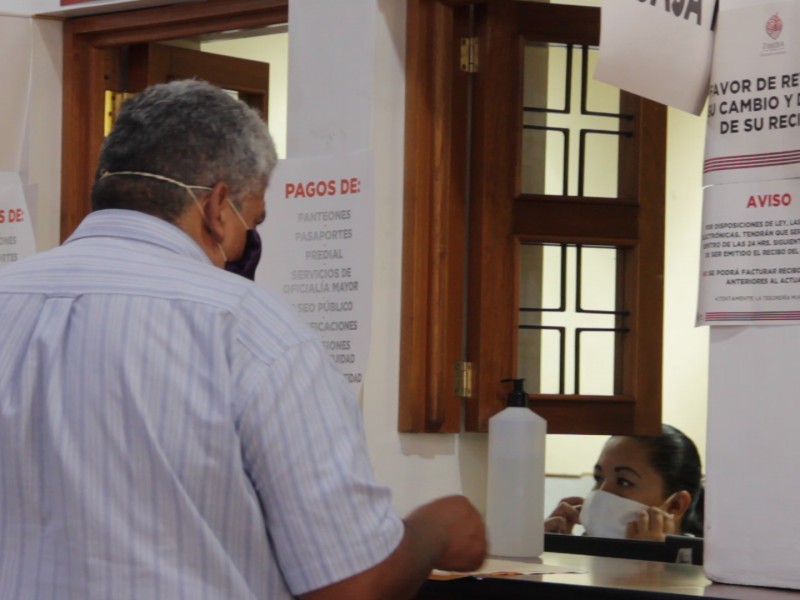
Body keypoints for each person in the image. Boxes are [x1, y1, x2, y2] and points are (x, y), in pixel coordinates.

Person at [0, 79, 486, 599]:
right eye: (251, 224)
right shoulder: (249, 328)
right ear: (217, 207)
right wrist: (436, 531)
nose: (243, 249)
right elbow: (352, 585)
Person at [545, 425, 703, 542]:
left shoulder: (702, 573)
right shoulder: (584, 559)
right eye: (598, 478)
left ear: (675, 505)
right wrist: (551, 550)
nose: (602, 493)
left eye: (624, 482)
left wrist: (649, 565)